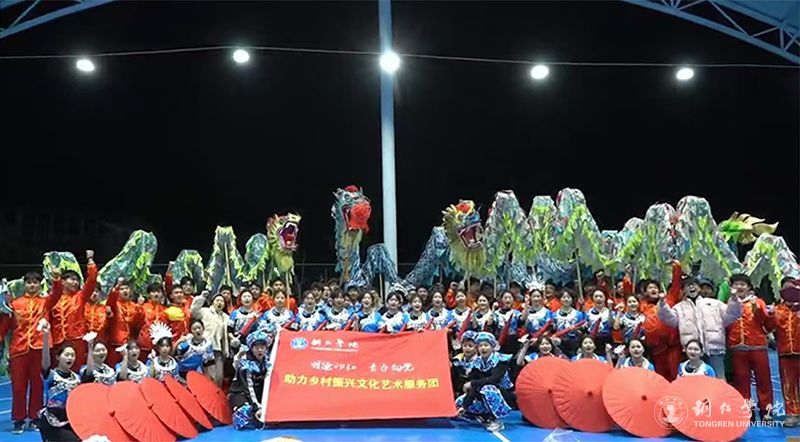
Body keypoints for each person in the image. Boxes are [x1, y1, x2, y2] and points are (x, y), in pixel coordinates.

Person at [1, 270, 64, 434]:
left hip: (39, 349)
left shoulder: (45, 302)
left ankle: (36, 417)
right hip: (18, 349)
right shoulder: (14, 304)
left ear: (39, 285)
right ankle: (19, 419)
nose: (32, 285)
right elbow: (5, 325)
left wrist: (57, 278)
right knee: (18, 387)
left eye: (35, 282)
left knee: (37, 385)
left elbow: (57, 293)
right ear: (24, 284)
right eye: (29, 282)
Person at [658, 276, 742, 379]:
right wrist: (662, 303)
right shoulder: (679, 307)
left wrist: (734, 299)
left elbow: (731, 315)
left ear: (699, 288)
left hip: (714, 349)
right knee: (695, 381)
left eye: (694, 285)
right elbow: (668, 319)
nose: (691, 287)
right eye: (688, 286)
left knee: (718, 379)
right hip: (692, 350)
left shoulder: (714, 303)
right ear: (683, 290)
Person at [725, 274, 774, 421]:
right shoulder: (727, 304)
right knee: (741, 381)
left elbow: (768, 324)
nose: (739, 287)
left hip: (757, 346)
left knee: (763, 380)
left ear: (749, 287)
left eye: (742, 284)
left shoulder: (758, 302)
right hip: (737, 348)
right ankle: (746, 410)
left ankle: (766, 410)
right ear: (731, 287)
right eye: (736, 284)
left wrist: (760, 311)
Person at [455, 332, 513, 432]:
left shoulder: (500, 360)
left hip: (503, 395)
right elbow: (474, 386)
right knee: (459, 403)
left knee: (488, 389)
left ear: (492, 347)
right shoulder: (477, 363)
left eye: (486, 345)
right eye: (480, 345)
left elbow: (494, 379)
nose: (483, 348)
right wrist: (465, 406)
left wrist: (473, 383)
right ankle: (482, 415)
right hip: (483, 394)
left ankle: (496, 420)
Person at [633, 264, 682, 381]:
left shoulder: (668, 300)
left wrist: (677, 267)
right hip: (656, 349)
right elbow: (628, 296)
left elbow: (676, 286)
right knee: (660, 377)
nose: (653, 289)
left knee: (675, 375)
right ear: (645, 292)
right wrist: (627, 276)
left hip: (672, 346)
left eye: (655, 287)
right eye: (650, 288)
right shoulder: (642, 306)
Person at [50, 250, 96, 370]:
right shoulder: (54, 298)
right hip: (57, 341)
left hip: (76, 340)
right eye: (72, 279)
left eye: (77, 280)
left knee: (77, 370)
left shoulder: (80, 297)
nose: (76, 282)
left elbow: (91, 281)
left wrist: (90, 261)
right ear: (63, 282)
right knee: (57, 372)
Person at [38, 321, 80, 442]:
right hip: (52, 422)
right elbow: (45, 361)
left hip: (70, 420)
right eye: (66, 355)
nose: (70, 358)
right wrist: (46, 336)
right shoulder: (51, 376)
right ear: (58, 357)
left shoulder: (76, 378)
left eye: (72, 355)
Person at [230, 329, 273, 430]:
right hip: (241, 392)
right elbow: (248, 387)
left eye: (262, 347)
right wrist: (256, 407)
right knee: (245, 411)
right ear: (251, 348)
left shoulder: (266, 361)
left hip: (257, 392)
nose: (260, 350)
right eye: (256, 348)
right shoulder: (246, 363)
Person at [772, 277, 800, 427]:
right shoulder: (777, 310)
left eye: (793, 288)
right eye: (786, 289)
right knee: (788, 385)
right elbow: (767, 327)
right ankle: (792, 414)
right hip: (785, 354)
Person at [190, 292, 231, 385]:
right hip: (204, 346)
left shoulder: (226, 317)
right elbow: (194, 311)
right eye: (217, 300)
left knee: (219, 376)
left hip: (218, 348)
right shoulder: (205, 311)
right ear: (212, 302)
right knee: (205, 375)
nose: (219, 303)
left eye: (222, 301)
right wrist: (201, 298)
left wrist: (226, 349)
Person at [106, 278, 143, 368]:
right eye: (122, 289)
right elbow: (110, 301)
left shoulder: (134, 306)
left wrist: (139, 307)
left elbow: (138, 323)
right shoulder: (115, 305)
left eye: (126, 288)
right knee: (114, 368)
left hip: (130, 345)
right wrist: (117, 286)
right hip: (116, 344)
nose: (125, 291)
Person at [138, 283, 167, 362]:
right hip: (145, 345)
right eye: (153, 292)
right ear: (148, 294)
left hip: (161, 346)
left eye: (158, 291)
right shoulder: (142, 307)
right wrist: (139, 306)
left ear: (162, 294)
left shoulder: (165, 310)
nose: (156, 294)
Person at [552, 289, 586, 358]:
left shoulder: (578, 314)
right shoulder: (554, 314)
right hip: (559, 343)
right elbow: (553, 330)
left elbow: (582, 331)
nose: (566, 299)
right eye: (564, 297)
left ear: (572, 299)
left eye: (568, 297)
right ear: (560, 299)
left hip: (574, 342)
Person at [584, 289, 613, 354]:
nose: (598, 298)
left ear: (605, 298)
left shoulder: (610, 312)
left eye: (601, 296)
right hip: (593, 339)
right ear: (592, 299)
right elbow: (586, 326)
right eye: (596, 296)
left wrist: (610, 310)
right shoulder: (588, 312)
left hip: (606, 338)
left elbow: (611, 325)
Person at [451, 331, 478, 396]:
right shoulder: (457, 360)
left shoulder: (481, 361)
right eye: (465, 346)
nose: (467, 348)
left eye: (470, 346)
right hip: (459, 392)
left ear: (476, 347)